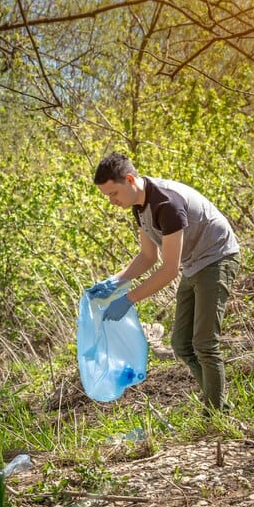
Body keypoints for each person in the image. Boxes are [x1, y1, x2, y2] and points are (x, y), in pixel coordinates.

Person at [88, 153, 239, 411]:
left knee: (204, 343)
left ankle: (217, 414)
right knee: (181, 344)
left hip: (217, 257)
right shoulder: (138, 206)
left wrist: (128, 299)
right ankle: (220, 404)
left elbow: (169, 269)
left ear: (130, 180)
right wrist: (116, 281)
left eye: (113, 194)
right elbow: (148, 256)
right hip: (195, 263)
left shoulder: (166, 203)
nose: (112, 201)